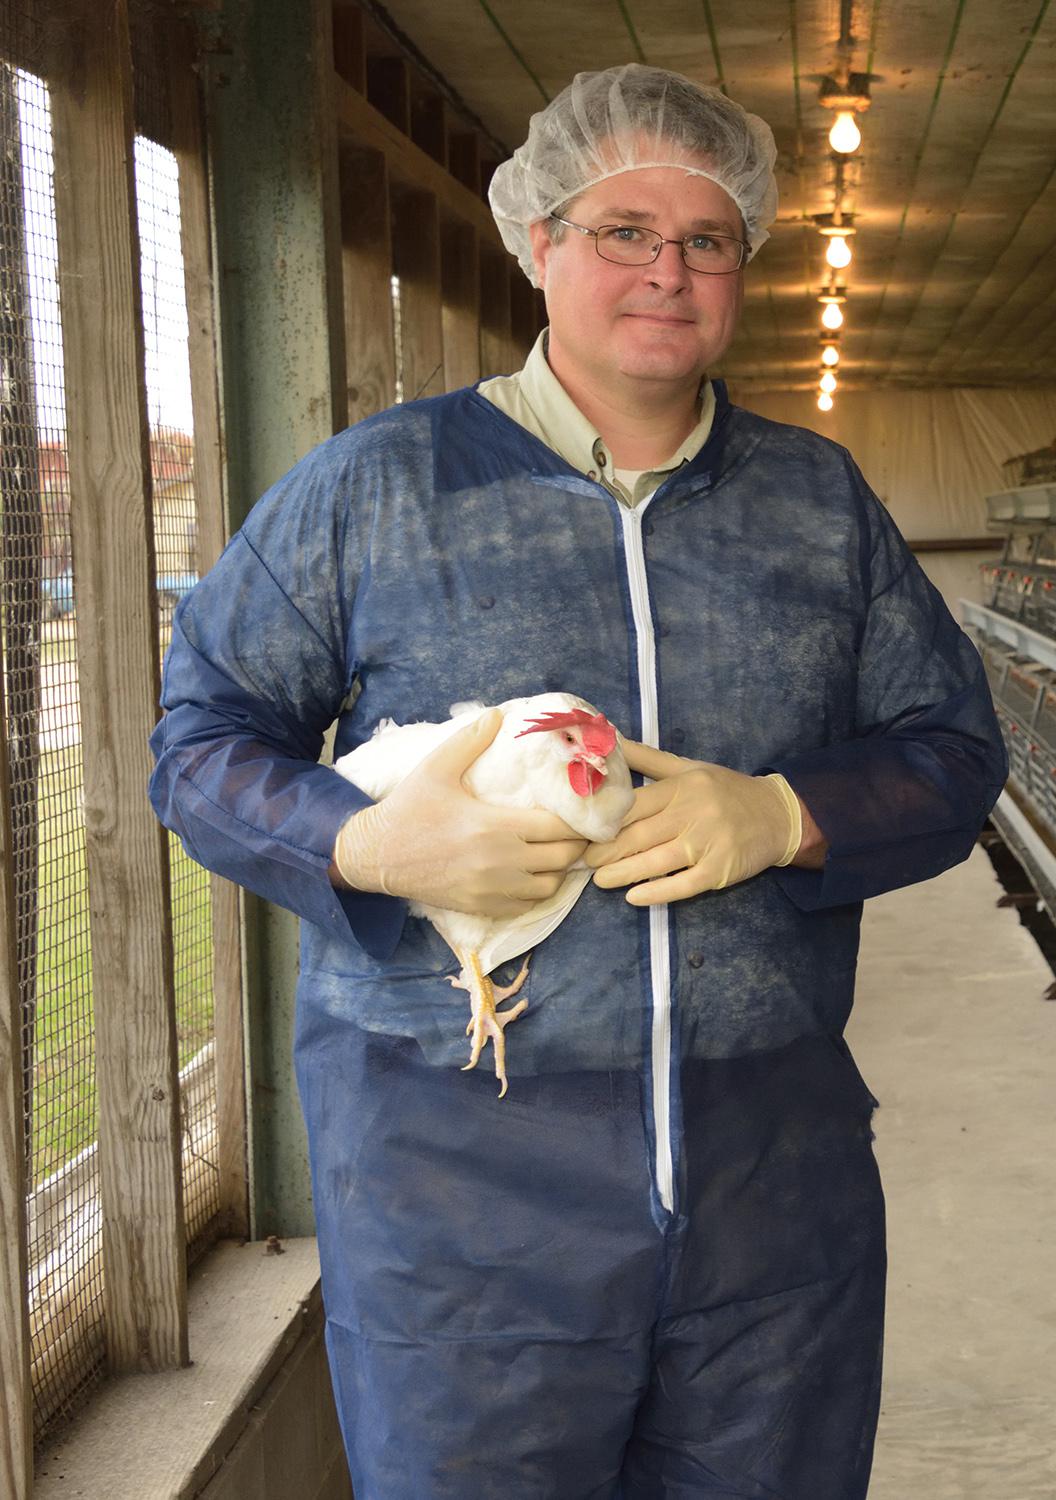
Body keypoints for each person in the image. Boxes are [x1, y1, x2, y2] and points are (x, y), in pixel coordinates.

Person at [150, 63, 1004, 1499]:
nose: (668, 270)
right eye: (623, 231)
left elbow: (954, 753)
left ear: (742, 269)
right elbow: (200, 742)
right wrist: (368, 848)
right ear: (539, 242)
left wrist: (788, 816)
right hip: (458, 1184)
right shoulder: (378, 488)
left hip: (768, 1176)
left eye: (709, 238)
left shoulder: (816, 505)